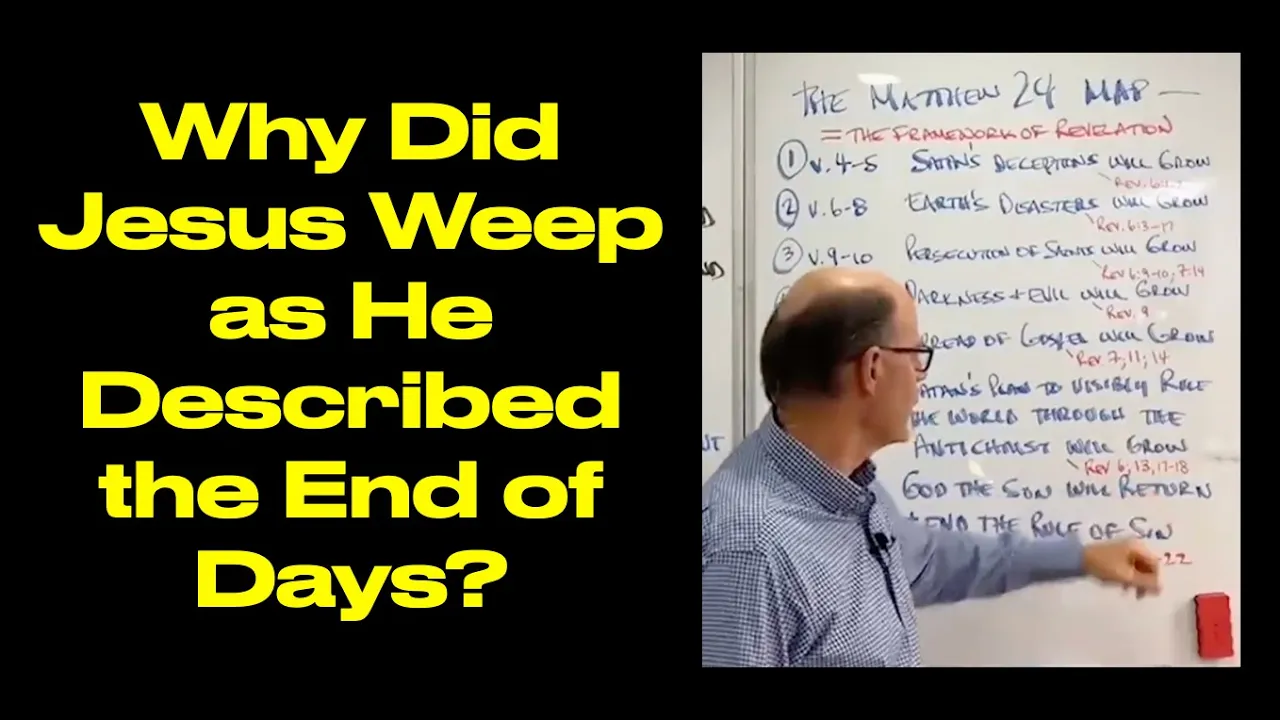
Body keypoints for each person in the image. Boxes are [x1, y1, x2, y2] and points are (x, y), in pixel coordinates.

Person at [701, 267, 1163, 667]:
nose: (921, 380)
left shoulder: (844, 485)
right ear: (873, 369)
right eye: (916, 357)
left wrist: (1079, 557)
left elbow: (927, 561)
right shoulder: (750, 550)